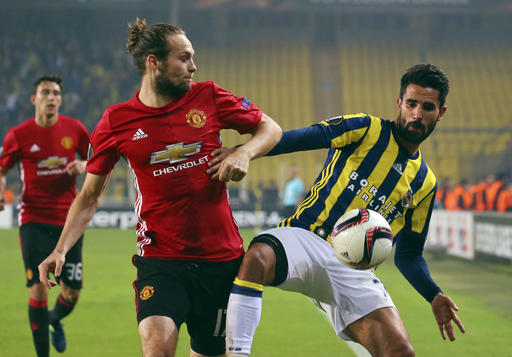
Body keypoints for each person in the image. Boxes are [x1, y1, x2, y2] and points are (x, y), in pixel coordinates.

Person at [38, 19, 282, 357]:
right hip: (160, 259)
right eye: (184, 58)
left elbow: (270, 128)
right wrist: (61, 249)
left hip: (221, 260)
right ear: (153, 62)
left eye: (192, 57)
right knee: (156, 347)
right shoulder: (116, 121)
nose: (193, 66)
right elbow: (90, 196)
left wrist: (244, 152)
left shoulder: (208, 96)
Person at [208, 64, 466, 356]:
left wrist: (433, 294)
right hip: (306, 237)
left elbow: (409, 255)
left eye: (427, 107)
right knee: (257, 258)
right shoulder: (365, 128)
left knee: (400, 352)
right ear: (400, 103)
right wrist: (245, 150)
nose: (417, 114)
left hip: (354, 270)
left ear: (440, 112)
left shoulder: (425, 183)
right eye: (411, 104)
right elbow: (302, 138)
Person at [0, 75, 90, 357]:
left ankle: (52, 321)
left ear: (60, 99)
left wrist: (84, 164)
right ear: (34, 99)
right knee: (38, 289)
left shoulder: (74, 129)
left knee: (72, 294)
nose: (52, 97)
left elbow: (99, 158)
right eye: (46, 93)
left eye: (56, 93)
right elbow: (1, 170)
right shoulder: (18, 135)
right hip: (34, 220)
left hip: (69, 222)